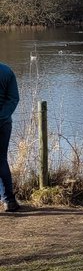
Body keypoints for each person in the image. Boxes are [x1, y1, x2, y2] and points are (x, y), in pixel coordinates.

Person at [0, 60, 20, 214]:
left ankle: (8, 200)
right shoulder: (7, 71)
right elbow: (13, 98)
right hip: (4, 123)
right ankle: (9, 201)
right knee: (1, 160)